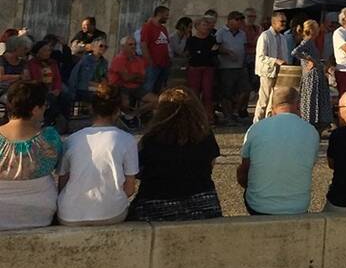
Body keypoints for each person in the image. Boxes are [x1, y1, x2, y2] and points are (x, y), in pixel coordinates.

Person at [130, 88, 222, 221]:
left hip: (156, 203)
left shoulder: (151, 139)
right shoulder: (205, 137)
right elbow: (211, 164)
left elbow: (138, 170)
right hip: (202, 203)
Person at [57, 88, 140, 226]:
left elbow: (62, 182)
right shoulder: (127, 139)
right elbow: (130, 188)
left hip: (69, 213)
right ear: (117, 112)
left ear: (91, 109)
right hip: (111, 212)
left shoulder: (72, 139)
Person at [238, 86, 319, 215]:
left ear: (273, 106)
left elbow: (244, 170)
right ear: (298, 104)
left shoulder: (256, 129)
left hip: (259, 205)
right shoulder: (311, 131)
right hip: (298, 206)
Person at [0, 82, 63, 229]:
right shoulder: (50, 138)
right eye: (44, 106)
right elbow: (57, 168)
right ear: (35, 109)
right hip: (41, 214)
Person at [290, 21, 332, 129]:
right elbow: (295, 52)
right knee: (311, 97)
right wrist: (308, 59)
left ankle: (315, 119)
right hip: (312, 75)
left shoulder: (312, 42)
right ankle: (309, 119)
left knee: (315, 97)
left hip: (316, 73)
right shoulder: (307, 41)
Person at [254, 12, 295, 122]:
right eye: (282, 21)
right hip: (267, 72)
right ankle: (256, 123)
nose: (284, 24)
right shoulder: (265, 36)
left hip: (280, 72)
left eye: (285, 21)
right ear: (274, 22)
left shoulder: (283, 38)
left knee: (274, 100)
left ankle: (268, 122)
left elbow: (285, 55)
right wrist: (275, 61)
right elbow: (260, 57)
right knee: (264, 100)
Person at [183, 16, 220, 115]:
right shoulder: (192, 40)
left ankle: (208, 116)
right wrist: (206, 52)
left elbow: (215, 52)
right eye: (204, 25)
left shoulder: (212, 39)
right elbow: (193, 54)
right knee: (194, 93)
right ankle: (194, 115)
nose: (206, 27)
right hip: (195, 68)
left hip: (208, 68)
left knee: (208, 93)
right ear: (197, 27)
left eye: (207, 25)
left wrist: (203, 52)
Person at [106, 37, 148, 120]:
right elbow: (126, 78)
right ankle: (126, 117)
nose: (133, 46)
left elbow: (143, 79)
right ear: (123, 46)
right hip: (119, 87)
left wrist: (132, 76)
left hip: (136, 87)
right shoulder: (119, 59)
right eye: (130, 44)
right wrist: (136, 76)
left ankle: (133, 114)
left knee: (155, 100)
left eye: (135, 44)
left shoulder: (139, 60)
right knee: (125, 102)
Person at [137, 5, 172, 96]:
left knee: (158, 88)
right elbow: (143, 45)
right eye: (166, 15)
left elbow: (165, 45)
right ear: (159, 14)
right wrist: (149, 61)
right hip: (153, 64)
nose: (167, 17)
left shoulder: (163, 29)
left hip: (164, 64)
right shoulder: (148, 27)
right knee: (148, 88)